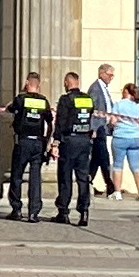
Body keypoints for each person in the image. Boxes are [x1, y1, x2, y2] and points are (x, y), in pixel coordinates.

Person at [52, 71, 106, 225]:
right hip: (84, 141)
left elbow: (60, 122)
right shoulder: (87, 99)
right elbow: (91, 118)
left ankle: (63, 211)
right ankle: (84, 211)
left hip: (69, 141)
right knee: (83, 178)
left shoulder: (65, 99)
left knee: (65, 177)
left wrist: (55, 142)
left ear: (67, 82)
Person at [2, 74, 52, 220]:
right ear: (39, 85)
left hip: (22, 142)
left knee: (17, 175)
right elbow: (50, 123)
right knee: (35, 178)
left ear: (26, 83)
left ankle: (16, 209)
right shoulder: (43, 101)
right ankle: (33, 212)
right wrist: (46, 141)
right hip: (38, 143)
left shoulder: (21, 99)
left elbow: (8, 109)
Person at [98, 66, 139, 197]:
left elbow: (112, 120)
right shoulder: (138, 106)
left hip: (120, 137)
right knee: (136, 166)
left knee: (118, 165)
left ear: (126, 92)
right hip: (135, 137)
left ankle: (117, 192)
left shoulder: (119, 104)